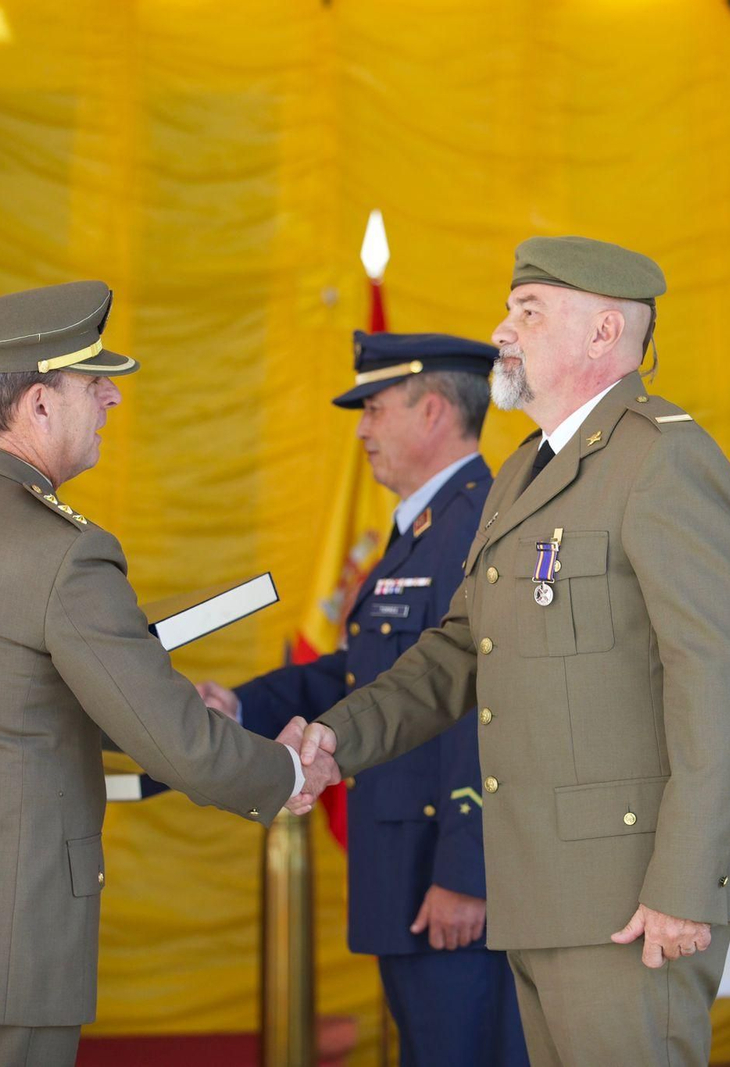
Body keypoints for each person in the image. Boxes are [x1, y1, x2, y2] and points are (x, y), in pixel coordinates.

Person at [0, 280, 337, 1067]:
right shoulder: (64, 551)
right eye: (95, 383)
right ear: (41, 404)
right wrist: (286, 769)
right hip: (4, 941)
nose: (112, 398)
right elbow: (179, 745)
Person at [297, 237, 730, 1066]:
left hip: (631, 898)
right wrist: (338, 736)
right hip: (539, 892)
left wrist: (685, 885)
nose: (501, 330)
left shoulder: (663, 458)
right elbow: (459, 652)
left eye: (529, 311)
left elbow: (715, 682)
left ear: (603, 332)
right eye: (511, 308)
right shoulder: (520, 473)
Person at [197, 331, 528, 1067]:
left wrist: (467, 872)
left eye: (375, 408)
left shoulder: (478, 528)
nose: (362, 430)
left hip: (447, 886)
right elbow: (363, 674)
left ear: (433, 411)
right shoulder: (425, 529)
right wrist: (239, 707)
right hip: (404, 872)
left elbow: (486, 704)